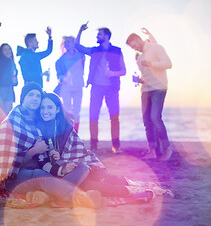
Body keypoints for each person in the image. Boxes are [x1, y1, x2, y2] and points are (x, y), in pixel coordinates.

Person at [0, 82, 98, 208]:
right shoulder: (13, 121)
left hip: (42, 171)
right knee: (39, 175)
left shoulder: (36, 123)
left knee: (83, 168)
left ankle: (50, 196)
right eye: (31, 95)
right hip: (13, 179)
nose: (35, 98)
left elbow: (45, 158)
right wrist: (34, 151)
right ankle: (79, 198)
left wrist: (57, 158)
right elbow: (9, 164)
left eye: (38, 96)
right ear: (23, 98)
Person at [35, 92, 157, 198]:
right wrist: (58, 161)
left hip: (82, 164)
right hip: (64, 172)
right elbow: (43, 160)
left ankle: (132, 186)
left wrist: (60, 157)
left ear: (57, 109)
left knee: (103, 179)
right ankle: (132, 192)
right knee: (89, 186)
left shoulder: (65, 126)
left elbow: (76, 150)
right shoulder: (39, 129)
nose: (45, 111)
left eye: (49, 107)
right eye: (42, 108)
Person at [75, 22, 126, 154]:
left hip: (112, 88)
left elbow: (123, 70)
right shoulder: (94, 50)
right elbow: (77, 46)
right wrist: (80, 31)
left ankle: (116, 145)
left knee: (114, 117)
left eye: (100, 34)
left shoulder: (117, 51)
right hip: (96, 87)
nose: (97, 36)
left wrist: (113, 73)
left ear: (107, 36)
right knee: (93, 116)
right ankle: (93, 146)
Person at [126, 29, 173, 161]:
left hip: (159, 87)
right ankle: (152, 151)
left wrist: (151, 63)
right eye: (131, 46)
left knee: (155, 118)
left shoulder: (156, 48)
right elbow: (147, 76)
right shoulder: (139, 57)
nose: (133, 47)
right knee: (147, 121)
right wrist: (138, 80)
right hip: (145, 89)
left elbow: (168, 64)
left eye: (133, 43)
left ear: (137, 39)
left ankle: (167, 149)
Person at [0, 23, 18, 133]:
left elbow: (15, 78)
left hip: (9, 91)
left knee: (8, 117)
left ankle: (4, 137)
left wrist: (15, 82)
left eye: (9, 49)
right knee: (1, 116)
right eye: (5, 50)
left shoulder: (13, 63)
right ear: (1, 52)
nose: (8, 51)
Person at [55, 36, 85, 132]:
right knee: (67, 111)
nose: (68, 44)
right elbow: (58, 76)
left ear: (73, 44)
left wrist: (80, 31)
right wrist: (63, 78)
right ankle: (68, 133)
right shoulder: (59, 61)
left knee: (76, 111)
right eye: (66, 43)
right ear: (63, 45)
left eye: (70, 42)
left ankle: (75, 133)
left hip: (78, 86)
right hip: (66, 88)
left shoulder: (80, 56)